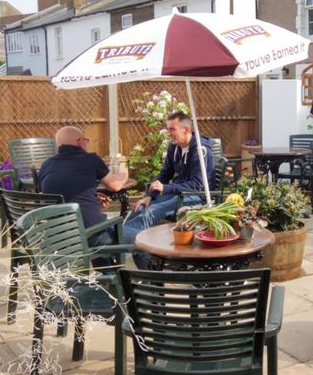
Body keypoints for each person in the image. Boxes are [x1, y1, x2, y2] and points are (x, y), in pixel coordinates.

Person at [123, 111, 214, 265]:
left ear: (185, 129)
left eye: (172, 129)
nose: (169, 134)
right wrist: (150, 195)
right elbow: (165, 173)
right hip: (178, 193)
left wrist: (165, 189)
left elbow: (197, 185)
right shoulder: (175, 147)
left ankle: (127, 256)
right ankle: (133, 255)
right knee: (140, 208)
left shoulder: (200, 150)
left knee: (149, 213)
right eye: (168, 129)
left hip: (196, 196)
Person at [37, 126, 127, 268]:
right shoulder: (90, 159)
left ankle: (109, 275)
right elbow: (115, 186)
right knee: (136, 238)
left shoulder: (46, 165)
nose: (87, 143)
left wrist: (89, 198)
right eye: (86, 140)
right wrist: (123, 175)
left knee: (96, 229)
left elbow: (55, 193)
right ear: (79, 142)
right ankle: (146, 285)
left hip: (56, 237)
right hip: (87, 236)